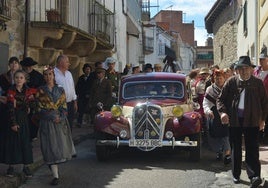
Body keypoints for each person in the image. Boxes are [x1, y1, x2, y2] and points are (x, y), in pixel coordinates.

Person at [217, 56, 268, 187]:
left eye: (247, 68)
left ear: (252, 69)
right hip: (235, 120)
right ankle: (236, 174)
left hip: (252, 120)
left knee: (252, 148)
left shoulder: (258, 83)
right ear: (237, 70)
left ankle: (254, 176)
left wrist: (262, 120)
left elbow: (264, 103)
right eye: (241, 69)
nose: (244, 71)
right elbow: (220, 99)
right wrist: (222, 112)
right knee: (236, 148)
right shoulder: (231, 82)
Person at [35, 67, 76, 185]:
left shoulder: (60, 90)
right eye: (46, 75)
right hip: (47, 122)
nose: (48, 77)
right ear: (44, 77)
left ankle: (54, 169)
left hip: (59, 123)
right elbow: (38, 108)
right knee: (49, 148)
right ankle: (55, 176)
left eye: (50, 74)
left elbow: (64, 107)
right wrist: (50, 116)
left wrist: (61, 117)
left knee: (59, 148)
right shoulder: (40, 90)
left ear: (54, 76)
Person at [5, 70, 37, 177]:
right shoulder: (11, 90)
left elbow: (32, 105)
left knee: (24, 142)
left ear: (24, 79)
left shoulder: (28, 90)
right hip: (13, 118)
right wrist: (13, 123)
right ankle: (11, 167)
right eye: (17, 77)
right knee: (13, 143)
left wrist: (21, 103)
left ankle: (26, 167)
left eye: (21, 78)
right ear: (14, 79)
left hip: (24, 119)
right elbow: (10, 108)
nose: (19, 79)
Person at [203, 69, 231, 165]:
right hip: (214, 115)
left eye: (220, 78)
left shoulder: (228, 88)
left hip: (226, 114)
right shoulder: (210, 89)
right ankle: (220, 151)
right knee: (216, 135)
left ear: (224, 78)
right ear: (214, 79)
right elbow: (205, 103)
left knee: (226, 134)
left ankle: (227, 154)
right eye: (217, 78)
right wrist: (208, 111)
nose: (219, 80)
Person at [20, 57, 45, 141]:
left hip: (34, 100)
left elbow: (42, 89)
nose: (28, 68)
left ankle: (33, 135)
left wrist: (34, 95)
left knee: (33, 118)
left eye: (29, 66)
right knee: (23, 118)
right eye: (26, 66)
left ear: (32, 66)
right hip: (22, 101)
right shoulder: (20, 75)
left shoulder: (39, 76)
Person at [54, 55, 77, 131]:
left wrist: (75, 101)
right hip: (59, 105)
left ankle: (68, 141)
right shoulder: (53, 74)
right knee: (61, 125)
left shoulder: (69, 74)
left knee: (69, 124)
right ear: (61, 62)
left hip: (70, 103)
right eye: (67, 62)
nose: (69, 64)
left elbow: (72, 88)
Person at [254, 45, 268, 144]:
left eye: (262, 59)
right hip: (257, 99)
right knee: (258, 118)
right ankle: (258, 137)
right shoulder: (256, 71)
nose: (260, 61)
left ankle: (266, 138)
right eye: (260, 59)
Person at [75, 63, 92, 127]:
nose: (87, 70)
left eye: (88, 69)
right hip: (82, 96)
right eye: (86, 69)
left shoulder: (92, 78)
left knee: (89, 110)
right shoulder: (81, 78)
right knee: (81, 110)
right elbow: (78, 87)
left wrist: (89, 94)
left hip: (90, 96)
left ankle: (90, 123)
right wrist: (77, 95)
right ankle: (79, 122)